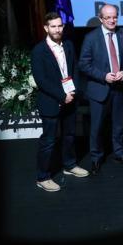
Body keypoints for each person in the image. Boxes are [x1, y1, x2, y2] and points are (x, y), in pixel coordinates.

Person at [31, 12, 89, 192]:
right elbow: (41, 80)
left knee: (69, 135)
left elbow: (74, 69)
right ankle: (43, 177)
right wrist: (62, 95)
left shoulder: (69, 45)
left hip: (70, 98)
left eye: (59, 26)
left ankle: (69, 165)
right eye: (53, 26)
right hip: (51, 101)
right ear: (46, 28)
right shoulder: (39, 51)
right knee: (48, 141)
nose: (57, 29)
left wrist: (73, 91)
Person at [79, 4, 123, 174]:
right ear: (100, 19)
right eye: (108, 17)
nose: (112, 20)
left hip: (119, 88)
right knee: (97, 127)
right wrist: (103, 76)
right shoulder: (91, 38)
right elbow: (83, 64)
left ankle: (120, 154)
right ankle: (96, 158)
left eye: (115, 17)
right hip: (99, 89)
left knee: (119, 125)